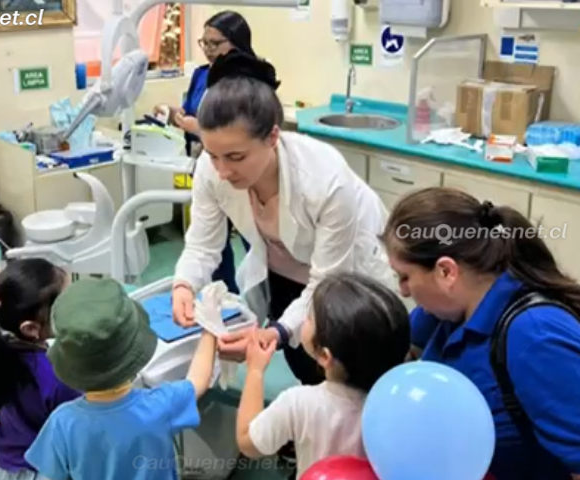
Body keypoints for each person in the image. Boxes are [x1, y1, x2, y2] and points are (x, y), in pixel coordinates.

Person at [171, 49, 394, 386]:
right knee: (304, 365)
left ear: (273, 137)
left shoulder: (325, 180)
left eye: (236, 156)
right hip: (286, 266)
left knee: (350, 377)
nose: (223, 170)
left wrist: (275, 332)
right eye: (214, 155)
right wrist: (184, 284)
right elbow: (203, 246)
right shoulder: (210, 169)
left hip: (350, 276)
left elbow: (327, 281)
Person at [380, 186, 580, 480]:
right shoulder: (442, 312)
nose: (404, 291)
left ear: (446, 272)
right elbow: (394, 362)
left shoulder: (535, 337)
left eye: (405, 277)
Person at [24, 278, 218, 480]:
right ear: (135, 353)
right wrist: (210, 326)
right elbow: (198, 380)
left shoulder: (62, 423)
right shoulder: (160, 405)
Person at [235, 272, 410, 479]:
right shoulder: (400, 407)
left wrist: (255, 371)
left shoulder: (299, 403)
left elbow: (248, 442)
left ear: (325, 355)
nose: (303, 320)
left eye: (309, 318)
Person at [155, 10, 255, 294]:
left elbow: (243, 132)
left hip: (241, 171)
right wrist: (174, 114)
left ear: (236, 42)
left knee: (255, 240)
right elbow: (191, 111)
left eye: (215, 43)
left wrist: (199, 127)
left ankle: (266, 302)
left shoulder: (248, 80)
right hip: (206, 165)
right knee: (212, 243)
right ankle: (225, 300)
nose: (208, 50)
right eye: (204, 43)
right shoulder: (201, 75)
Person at [0, 258, 80, 480]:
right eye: (65, 306)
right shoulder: (56, 375)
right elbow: (78, 429)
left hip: (7, 466)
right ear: (31, 328)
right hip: (44, 469)